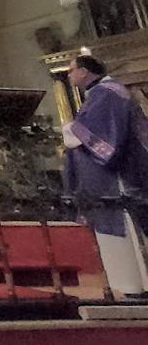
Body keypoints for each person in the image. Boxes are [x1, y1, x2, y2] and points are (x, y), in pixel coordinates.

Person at [63, 55, 148, 298]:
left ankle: (133, 287)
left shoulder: (107, 93)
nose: (69, 75)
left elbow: (100, 133)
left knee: (125, 229)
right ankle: (133, 287)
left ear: (84, 71)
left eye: (71, 70)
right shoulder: (105, 92)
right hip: (118, 178)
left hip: (116, 180)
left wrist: (68, 130)